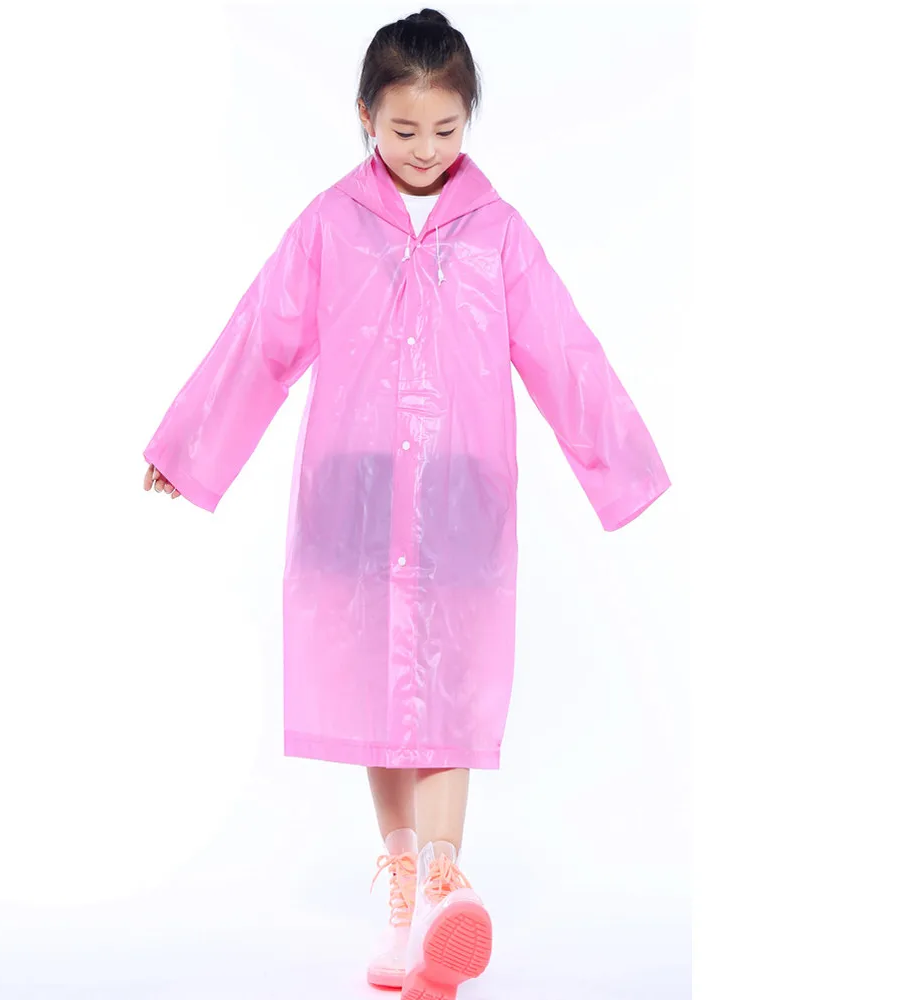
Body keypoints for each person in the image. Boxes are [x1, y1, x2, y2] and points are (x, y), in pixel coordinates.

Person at [141, 8, 671, 996]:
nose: (426, 149)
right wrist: (189, 446)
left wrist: (625, 468)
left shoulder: (498, 233)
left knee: (448, 686)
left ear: (470, 119)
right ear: (364, 118)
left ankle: (440, 883)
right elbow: (262, 334)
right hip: (355, 482)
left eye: (445, 129)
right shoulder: (331, 224)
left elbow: (564, 350)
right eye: (403, 130)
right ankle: (401, 891)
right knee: (373, 688)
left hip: (461, 489)